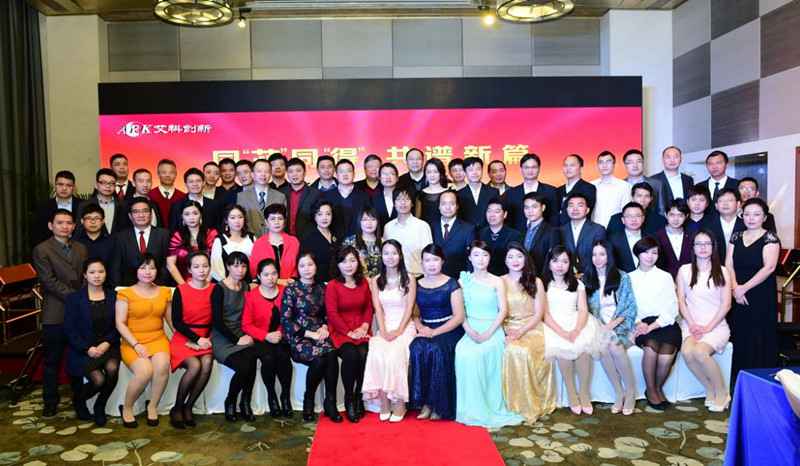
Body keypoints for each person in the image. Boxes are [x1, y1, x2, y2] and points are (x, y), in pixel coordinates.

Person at [454, 241, 523, 427]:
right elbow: (460, 312)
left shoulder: (497, 281)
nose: (481, 259)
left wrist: (488, 333)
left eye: (485, 255)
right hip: (470, 327)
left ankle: (488, 406)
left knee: (482, 353)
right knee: (463, 352)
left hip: (493, 327)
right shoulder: (463, 281)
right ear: (470, 258)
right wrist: (470, 331)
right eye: (476, 255)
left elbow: (503, 310)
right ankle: (469, 408)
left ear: (490, 258)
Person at [32, 209, 89, 417]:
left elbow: (86, 276)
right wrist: (76, 297)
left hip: (79, 312)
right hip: (55, 312)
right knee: (52, 361)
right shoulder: (42, 249)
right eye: (60, 223)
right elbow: (48, 281)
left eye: (68, 223)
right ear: (51, 226)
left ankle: (80, 402)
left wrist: (83, 295)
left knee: (78, 359)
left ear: (74, 226)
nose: (65, 226)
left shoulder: (81, 248)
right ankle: (50, 402)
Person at [281, 253, 341, 422]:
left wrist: (324, 327)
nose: (306, 269)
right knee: (320, 359)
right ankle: (309, 399)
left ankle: (330, 402)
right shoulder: (291, 289)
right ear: (297, 269)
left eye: (310, 265)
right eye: (302, 266)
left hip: (320, 333)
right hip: (299, 336)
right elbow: (286, 320)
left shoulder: (323, 287)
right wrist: (310, 334)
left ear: (316, 266)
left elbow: (328, 314)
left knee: (331, 354)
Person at [542, 246, 602, 415]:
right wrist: (562, 333)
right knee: (563, 350)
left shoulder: (577, 284)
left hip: (576, 321)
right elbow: (545, 314)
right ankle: (571, 392)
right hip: (553, 325)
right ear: (549, 263)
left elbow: (583, 310)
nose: (560, 265)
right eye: (555, 261)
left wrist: (576, 329)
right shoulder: (543, 284)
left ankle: (584, 392)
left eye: (564, 261)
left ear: (570, 264)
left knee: (584, 350)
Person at [677, 230, 732, 412]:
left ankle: (722, 393)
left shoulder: (722, 271)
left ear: (713, 247)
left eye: (707, 244)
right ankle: (709, 388)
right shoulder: (684, 270)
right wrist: (692, 324)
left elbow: (726, 305)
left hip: (716, 325)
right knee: (687, 352)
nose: (703, 247)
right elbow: (681, 301)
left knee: (700, 352)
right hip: (691, 324)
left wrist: (708, 327)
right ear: (693, 248)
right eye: (698, 244)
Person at [362, 240, 417, 422]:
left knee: (395, 354)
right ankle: (384, 402)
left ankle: (399, 403)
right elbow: (378, 309)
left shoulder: (409, 278)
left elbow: (409, 308)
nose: (390, 257)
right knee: (377, 351)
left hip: (404, 326)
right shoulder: (376, 280)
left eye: (394, 253)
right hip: (385, 325)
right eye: (386, 253)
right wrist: (384, 331)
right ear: (381, 256)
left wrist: (399, 331)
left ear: (400, 255)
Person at [726, 198, 780, 385]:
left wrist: (744, 288)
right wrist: (735, 288)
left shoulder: (770, 238)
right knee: (739, 333)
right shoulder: (736, 236)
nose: (751, 218)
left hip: (760, 293)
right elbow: (728, 264)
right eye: (747, 214)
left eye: (756, 214)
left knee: (760, 334)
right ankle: (738, 378)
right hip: (737, 293)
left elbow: (769, 267)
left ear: (764, 217)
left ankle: (761, 379)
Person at [409, 245, 465, 420]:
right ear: (422, 263)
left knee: (437, 349)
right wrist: (421, 328)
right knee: (417, 347)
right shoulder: (416, 284)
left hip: (449, 328)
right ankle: (425, 402)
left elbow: (459, 317)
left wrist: (435, 332)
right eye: (427, 260)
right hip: (426, 327)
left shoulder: (452, 283)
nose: (431, 264)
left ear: (442, 261)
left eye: (435, 259)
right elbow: (413, 313)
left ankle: (439, 405)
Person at [501, 243, 557, 423]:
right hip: (507, 326)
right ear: (505, 261)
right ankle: (511, 403)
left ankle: (528, 403)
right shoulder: (500, 281)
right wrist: (505, 331)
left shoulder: (536, 281)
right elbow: (498, 311)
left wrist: (520, 332)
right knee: (508, 349)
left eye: (519, 256)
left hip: (532, 327)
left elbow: (539, 314)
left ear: (525, 259)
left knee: (520, 351)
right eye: (510, 257)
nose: (515, 261)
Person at [116, 253, 172, 427]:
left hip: (158, 338)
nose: (148, 272)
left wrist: (185, 339)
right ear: (135, 270)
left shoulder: (164, 292)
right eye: (143, 268)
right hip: (132, 342)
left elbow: (171, 321)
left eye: (152, 268)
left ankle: (152, 405)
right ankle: (127, 407)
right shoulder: (125, 293)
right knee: (145, 371)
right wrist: (136, 344)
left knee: (162, 366)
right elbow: (120, 323)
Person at [583, 241, 638, 416]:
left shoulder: (622, 277)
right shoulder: (586, 279)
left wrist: (610, 326)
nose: (597, 258)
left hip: (621, 324)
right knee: (603, 348)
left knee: (614, 345)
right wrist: (599, 327)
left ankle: (630, 391)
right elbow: (585, 310)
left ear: (609, 256)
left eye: (602, 254)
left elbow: (628, 307)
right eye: (594, 255)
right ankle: (619, 392)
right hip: (597, 325)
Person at [63, 258, 120, 426]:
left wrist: (107, 343)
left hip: (108, 344)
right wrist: (87, 348)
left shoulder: (114, 296)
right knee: (99, 380)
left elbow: (119, 325)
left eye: (101, 272)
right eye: (92, 272)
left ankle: (100, 406)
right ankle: (79, 400)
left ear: (106, 274)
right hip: (83, 348)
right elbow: (69, 329)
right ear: (85, 275)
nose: (97, 276)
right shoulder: (74, 298)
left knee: (112, 369)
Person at [629, 237, 681, 411]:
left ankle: (656, 388)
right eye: (645, 252)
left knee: (667, 352)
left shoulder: (665, 277)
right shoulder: (629, 277)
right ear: (638, 254)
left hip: (664, 322)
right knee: (651, 347)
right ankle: (651, 391)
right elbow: (628, 306)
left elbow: (672, 307)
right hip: (640, 322)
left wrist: (652, 326)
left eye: (654, 253)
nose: (650, 256)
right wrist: (639, 323)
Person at [325, 246, 374, 422]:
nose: (348, 265)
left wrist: (365, 326)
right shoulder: (333, 285)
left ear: (358, 263)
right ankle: (349, 398)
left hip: (361, 328)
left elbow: (368, 307)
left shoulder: (364, 283)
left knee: (365, 353)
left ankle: (360, 396)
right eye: (344, 261)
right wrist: (348, 332)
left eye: (352, 260)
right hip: (341, 330)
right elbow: (332, 314)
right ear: (337, 264)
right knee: (351, 355)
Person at [242, 259, 294, 418]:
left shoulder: (285, 292)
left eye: (274, 274)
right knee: (268, 358)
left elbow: (292, 317)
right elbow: (246, 325)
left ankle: (285, 396)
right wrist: (266, 336)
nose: (270, 278)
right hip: (261, 338)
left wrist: (280, 333)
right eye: (266, 275)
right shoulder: (251, 296)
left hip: (282, 336)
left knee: (283, 357)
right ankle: (272, 396)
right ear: (258, 276)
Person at [169, 252, 215, 429]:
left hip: (206, 337)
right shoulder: (181, 290)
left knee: (207, 362)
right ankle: (177, 408)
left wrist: (207, 339)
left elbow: (217, 319)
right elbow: (177, 322)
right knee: (194, 365)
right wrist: (195, 340)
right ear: (189, 269)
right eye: (196, 267)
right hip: (185, 337)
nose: (201, 270)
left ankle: (189, 406)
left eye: (205, 266)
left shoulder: (215, 289)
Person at [210, 251, 257, 422]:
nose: (240, 270)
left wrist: (245, 335)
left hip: (241, 333)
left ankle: (245, 402)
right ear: (228, 267)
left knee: (252, 359)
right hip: (223, 338)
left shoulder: (246, 287)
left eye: (243, 266)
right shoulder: (219, 288)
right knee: (243, 367)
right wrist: (237, 340)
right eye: (236, 266)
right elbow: (217, 321)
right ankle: (230, 401)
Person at [109, 197, 171, 287]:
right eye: (136, 212)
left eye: (145, 211)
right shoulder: (120, 237)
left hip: (158, 288)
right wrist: (119, 289)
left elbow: (167, 265)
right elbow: (116, 267)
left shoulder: (164, 235)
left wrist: (158, 286)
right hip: (128, 288)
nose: (141, 215)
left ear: (151, 214)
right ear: (130, 216)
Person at [383, 187, 432, 276]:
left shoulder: (422, 226)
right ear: (394, 203)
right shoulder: (388, 227)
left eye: (407, 199)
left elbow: (429, 255)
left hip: (417, 275)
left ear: (412, 203)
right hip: (394, 277)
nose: (403, 202)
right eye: (399, 199)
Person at [167, 201, 219, 284]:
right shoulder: (177, 236)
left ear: (201, 215)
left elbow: (216, 262)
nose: (191, 217)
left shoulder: (211, 234)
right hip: (183, 282)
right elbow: (170, 265)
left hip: (209, 281)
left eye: (195, 213)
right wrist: (184, 286)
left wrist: (205, 283)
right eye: (187, 214)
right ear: (182, 217)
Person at [502, 153, 558, 230]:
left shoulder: (551, 191)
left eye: (534, 167)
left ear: (539, 168)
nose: (530, 170)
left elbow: (554, 218)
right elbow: (508, 220)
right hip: (517, 235)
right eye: (526, 167)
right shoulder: (511, 194)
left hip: (544, 235)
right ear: (521, 169)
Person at [249, 204, 300, 285]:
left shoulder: (294, 242)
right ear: (266, 222)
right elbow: (254, 271)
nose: (277, 222)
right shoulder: (259, 244)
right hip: (266, 287)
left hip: (291, 286)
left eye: (280, 218)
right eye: (272, 219)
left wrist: (292, 280)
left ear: (284, 221)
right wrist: (278, 281)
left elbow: (299, 266)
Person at [237, 159, 287, 237]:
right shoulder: (242, 196)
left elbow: (284, 221)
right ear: (252, 174)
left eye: (266, 171)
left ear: (270, 174)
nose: (263, 174)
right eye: (259, 171)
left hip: (274, 239)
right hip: (250, 239)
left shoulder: (280, 196)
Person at [558, 192, 606, 274]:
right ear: (567, 209)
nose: (575, 209)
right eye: (571, 206)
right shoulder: (560, 230)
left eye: (580, 205)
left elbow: (601, 255)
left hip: (591, 275)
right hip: (567, 276)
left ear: (587, 210)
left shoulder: (598, 229)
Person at [432, 190, 475, 278]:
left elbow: (471, 259)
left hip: (458, 279)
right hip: (433, 278)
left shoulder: (468, 229)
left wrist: (467, 280)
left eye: (452, 203)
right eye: (444, 204)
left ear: (457, 206)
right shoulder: (430, 227)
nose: (448, 207)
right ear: (439, 206)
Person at [32, 170, 82, 246]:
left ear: (73, 187)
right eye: (60, 184)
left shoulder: (83, 205)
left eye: (68, 185)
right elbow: (37, 233)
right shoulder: (43, 207)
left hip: (78, 249)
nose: (64, 188)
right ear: (55, 186)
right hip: (50, 249)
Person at [324, 159, 371, 239]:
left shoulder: (364, 196)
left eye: (348, 171)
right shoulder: (327, 196)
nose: (345, 174)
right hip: (333, 240)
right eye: (341, 171)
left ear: (354, 174)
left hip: (358, 240)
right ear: (336, 174)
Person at [210, 205, 256, 283]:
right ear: (226, 221)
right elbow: (216, 268)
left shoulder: (252, 238)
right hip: (228, 284)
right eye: (232, 218)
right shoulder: (220, 240)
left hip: (250, 283)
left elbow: (257, 262)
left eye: (240, 217)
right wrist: (227, 284)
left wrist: (253, 282)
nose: (237, 221)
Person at [168, 168, 222, 232]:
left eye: (198, 181)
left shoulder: (214, 205)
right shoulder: (177, 206)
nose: (195, 184)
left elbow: (218, 229)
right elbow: (173, 230)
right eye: (191, 181)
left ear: (204, 183)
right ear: (186, 184)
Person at [478, 199, 523, 276]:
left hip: (506, 277)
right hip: (483, 276)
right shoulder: (479, 234)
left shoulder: (515, 235)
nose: (492, 215)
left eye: (497, 211)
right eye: (489, 211)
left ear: (505, 214)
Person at [83, 168, 131, 236]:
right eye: (103, 182)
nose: (108, 186)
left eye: (112, 183)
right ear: (96, 185)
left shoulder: (123, 205)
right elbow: (80, 231)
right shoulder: (84, 205)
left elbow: (127, 230)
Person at [702, 188, 745, 260]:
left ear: (738, 204)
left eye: (730, 200)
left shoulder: (746, 225)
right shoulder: (707, 225)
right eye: (721, 201)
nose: (725, 204)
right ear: (716, 205)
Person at [520, 192, 560, 272]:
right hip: (522, 274)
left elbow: (553, 259)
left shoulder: (552, 231)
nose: (530, 211)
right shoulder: (522, 230)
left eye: (534, 207)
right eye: (526, 208)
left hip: (541, 276)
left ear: (543, 208)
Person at [300, 200, 338, 283]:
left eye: (328, 214)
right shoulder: (309, 239)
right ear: (314, 217)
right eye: (320, 214)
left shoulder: (336, 235)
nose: (324, 218)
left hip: (336, 281)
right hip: (318, 283)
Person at [456, 157, 499, 229]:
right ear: (465, 172)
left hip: (488, 231)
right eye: (470, 170)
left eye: (478, 169)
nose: (475, 173)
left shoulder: (493, 192)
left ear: (482, 170)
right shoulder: (459, 194)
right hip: (466, 233)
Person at [591, 151, 631, 228]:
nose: (604, 165)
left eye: (608, 161)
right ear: (598, 165)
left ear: (614, 164)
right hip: (594, 229)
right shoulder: (591, 185)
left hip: (616, 228)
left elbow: (627, 211)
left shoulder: (624, 186)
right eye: (601, 162)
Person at [655, 199, 693, 278]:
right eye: (672, 215)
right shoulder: (656, 237)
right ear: (666, 215)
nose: (676, 219)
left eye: (680, 215)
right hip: (663, 280)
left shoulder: (693, 236)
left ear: (686, 216)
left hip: (688, 280)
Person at [555, 154, 597, 226]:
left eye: (572, 165)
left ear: (581, 167)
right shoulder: (558, 190)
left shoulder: (588, 188)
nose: (568, 168)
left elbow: (586, 213)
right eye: (565, 165)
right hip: (558, 230)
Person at [285, 158, 321, 239]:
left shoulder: (315, 194)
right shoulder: (281, 193)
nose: (294, 174)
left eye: (298, 171)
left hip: (308, 238)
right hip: (285, 238)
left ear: (304, 173)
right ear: (287, 174)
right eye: (291, 171)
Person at [651, 146, 694, 215]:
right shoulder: (653, 180)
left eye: (676, 157)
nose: (672, 160)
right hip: (661, 219)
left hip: (685, 219)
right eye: (668, 157)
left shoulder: (688, 179)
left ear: (681, 159)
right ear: (663, 160)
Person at [342, 208, 382, 278]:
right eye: (365, 219)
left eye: (373, 219)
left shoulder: (384, 243)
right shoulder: (349, 242)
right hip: (357, 282)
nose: (369, 223)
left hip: (379, 282)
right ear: (359, 222)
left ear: (377, 222)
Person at [622, 149, 663, 216]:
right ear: (625, 165)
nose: (635, 165)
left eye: (639, 161)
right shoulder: (620, 185)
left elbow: (661, 209)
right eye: (630, 162)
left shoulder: (656, 184)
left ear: (643, 163)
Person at [608, 202, 646, 273]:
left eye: (637, 216)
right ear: (623, 220)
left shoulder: (651, 238)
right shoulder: (612, 240)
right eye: (629, 216)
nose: (633, 219)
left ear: (643, 218)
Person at [148, 159, 186, 227]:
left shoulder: (183, 197)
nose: (167, 175)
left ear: (176, 174)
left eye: (171, 172)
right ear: (158, 174)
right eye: (164, 172)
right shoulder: (150, 195)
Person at [416, 158, 449, 226]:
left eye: (435, 172)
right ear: (425, 174)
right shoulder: (420, 194)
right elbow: (417, 219)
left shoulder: (449, 193)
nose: (432, 175)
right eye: (429, 172)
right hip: (425, 230)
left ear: (441, 173)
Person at [372, 162, 400, 227]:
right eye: (384, 174)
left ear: (397, 178)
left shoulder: (405, 198)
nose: (388, 177)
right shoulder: (373, 198)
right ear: (379, 178)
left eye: (392, 174)